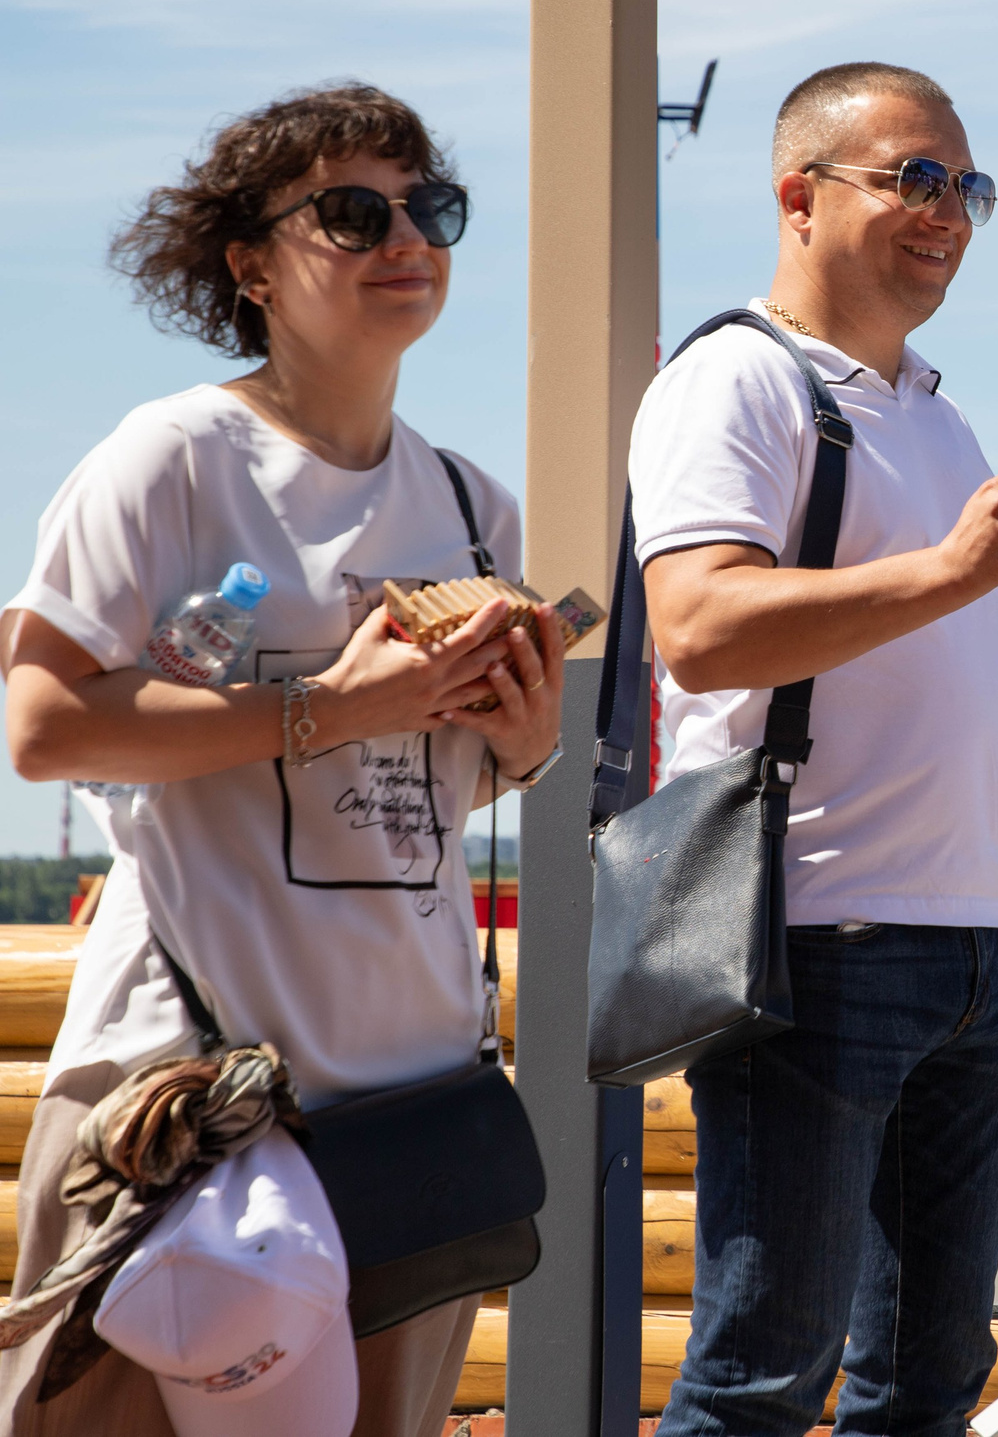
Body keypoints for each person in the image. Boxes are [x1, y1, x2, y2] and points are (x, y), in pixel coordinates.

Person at [1, 82, 564, 1436]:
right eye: (353, 212)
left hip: (409, 1110)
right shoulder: (175, 458)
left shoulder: (474, 504)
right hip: (194, 1101)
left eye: (432, 208)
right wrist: (333, 701)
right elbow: (42, 724)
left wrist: (520, 739)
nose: (405, 237)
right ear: (250, 262)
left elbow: (429, 788)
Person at [630, 62, 998, 1437]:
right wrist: (948, 565)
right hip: (811, 943)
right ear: (799, 194)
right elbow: (696, 626)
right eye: (915, 177)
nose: (949, 212)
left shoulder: (934, 412)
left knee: (930, 1382)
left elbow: (984, 695)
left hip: (968, 955)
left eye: (966, 186)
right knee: (761, 1372)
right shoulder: (734, 380)